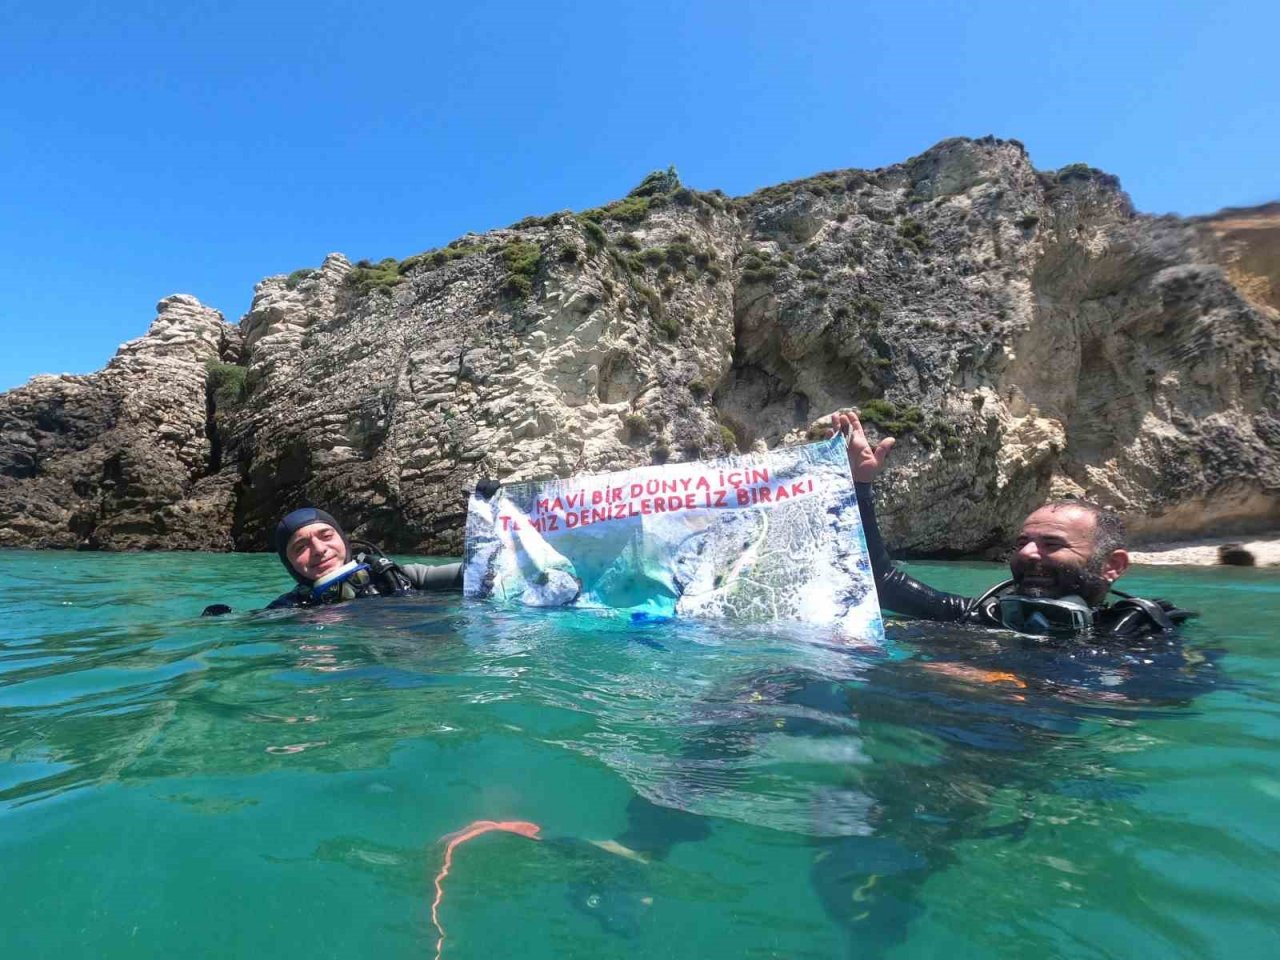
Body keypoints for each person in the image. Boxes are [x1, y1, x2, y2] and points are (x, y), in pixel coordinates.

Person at [830, 411, 1193, 639]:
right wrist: (858, 485)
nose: (1029, 553)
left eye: (1052, 544)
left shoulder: (1141, 636)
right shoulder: (984, 617)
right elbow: (879, 581)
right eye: (1022, 542)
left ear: (1113, 565)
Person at [265, 507, 462, 609]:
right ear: (288, 563)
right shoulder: (291, 609)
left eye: (326, 536)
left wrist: (486, 512)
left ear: (343, 540)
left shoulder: (398, 576)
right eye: (301, 547)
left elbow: (474, 571)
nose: (319, 549)